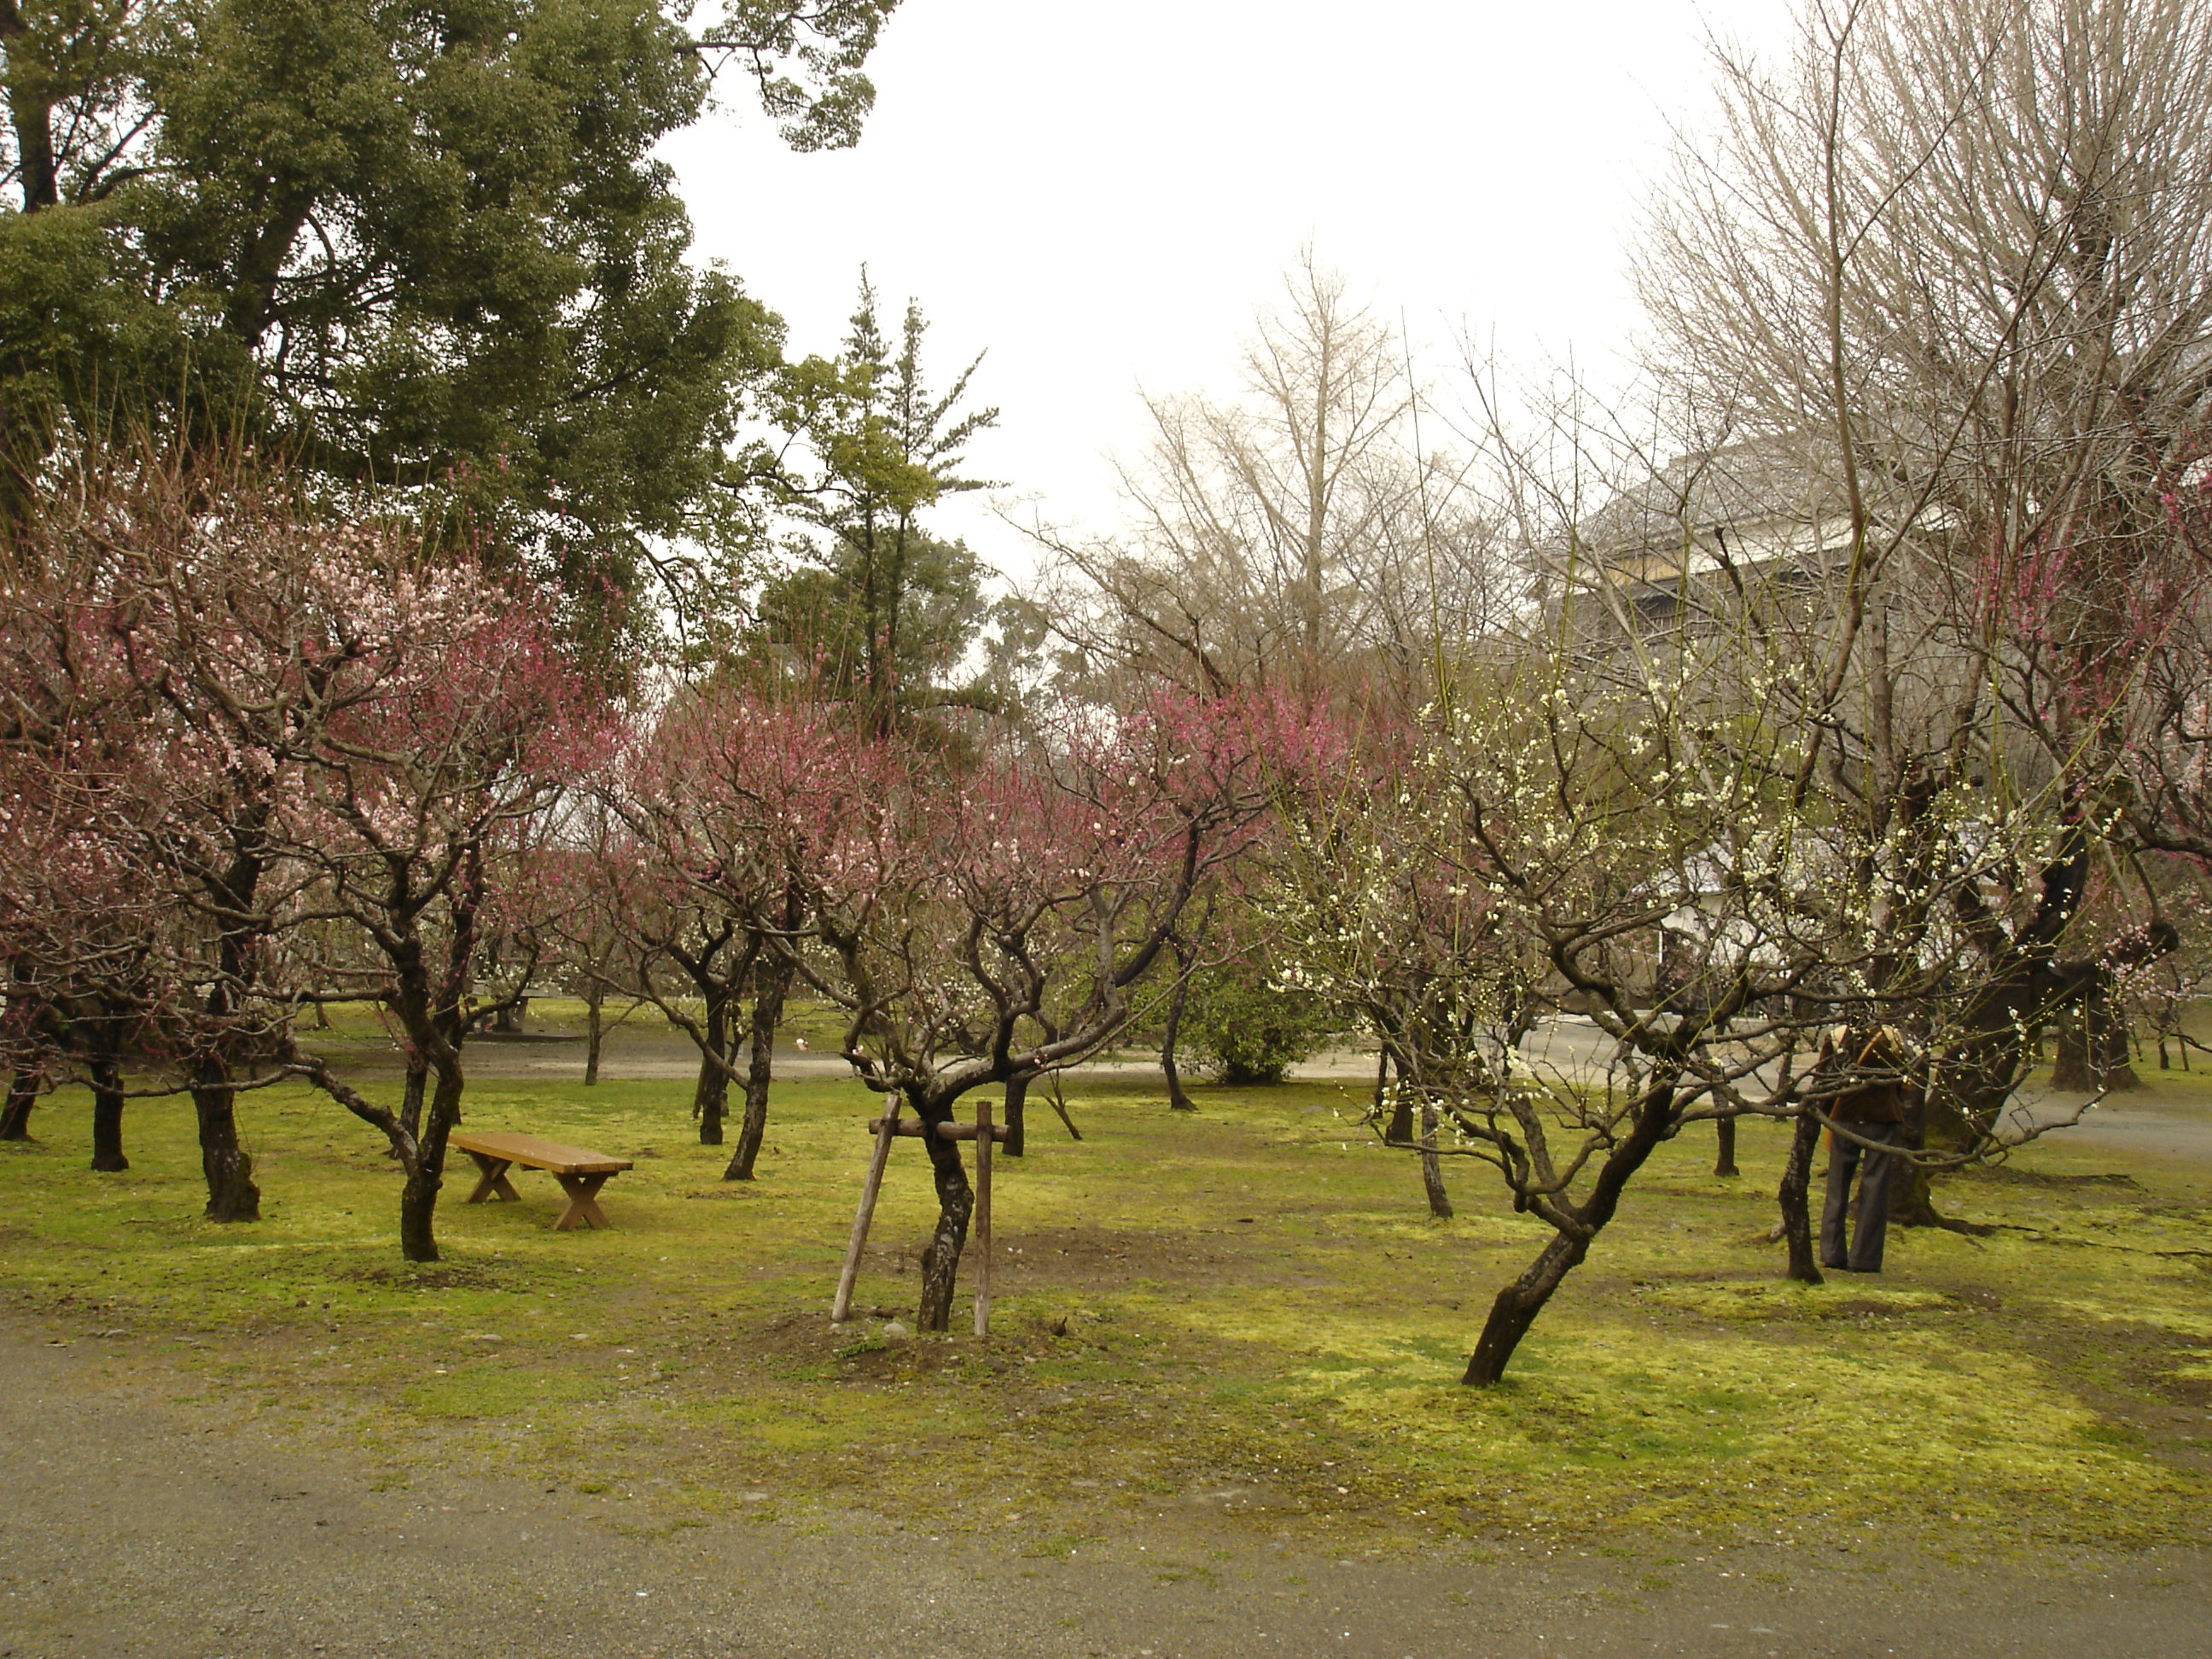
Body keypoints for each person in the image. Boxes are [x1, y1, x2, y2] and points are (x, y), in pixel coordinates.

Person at [1817, 1023, 1921, 1273]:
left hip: (1845, 1116)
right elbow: (1905, 1081)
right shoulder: (1892, 1037)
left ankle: (1831, 1252)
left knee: (1837, 1187)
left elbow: (1823, 1078)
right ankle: (1866, 1257)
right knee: (1875, 1189)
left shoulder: (1837, 1036)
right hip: (1882, 1117)